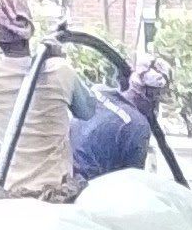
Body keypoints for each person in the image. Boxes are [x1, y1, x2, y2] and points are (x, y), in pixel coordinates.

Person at [0, 0, 78, 199]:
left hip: (12, 195)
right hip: (58, 196)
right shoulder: (60, 70)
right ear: (30, 28)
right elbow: (88, 111)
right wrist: (56, 60)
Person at [70, 55, 173, 187]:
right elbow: (131, 184)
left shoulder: (97, 91)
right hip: (87, 191)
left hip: (61, 175)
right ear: (154, 96)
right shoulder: (137, 126)